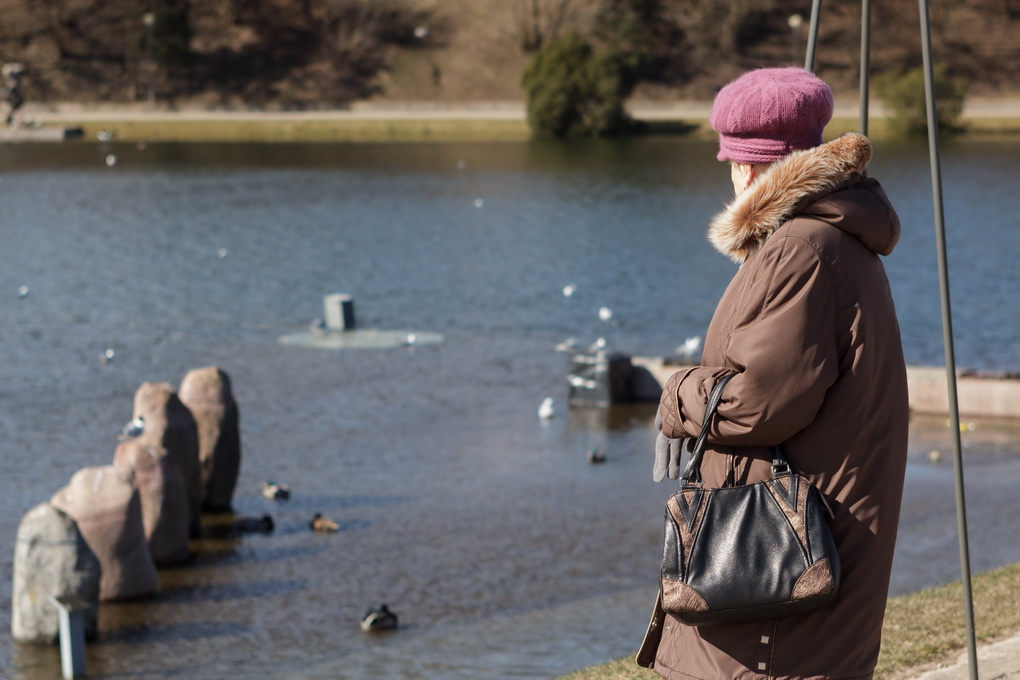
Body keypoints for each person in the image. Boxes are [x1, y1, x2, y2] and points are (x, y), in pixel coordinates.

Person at [640, 67, 909, 679]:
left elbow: (759, 402)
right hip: (796, 549)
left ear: (750, 167)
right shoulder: (832, 237)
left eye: (731, 162)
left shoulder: (803, 248)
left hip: (778, 568)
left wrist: (676, 396)